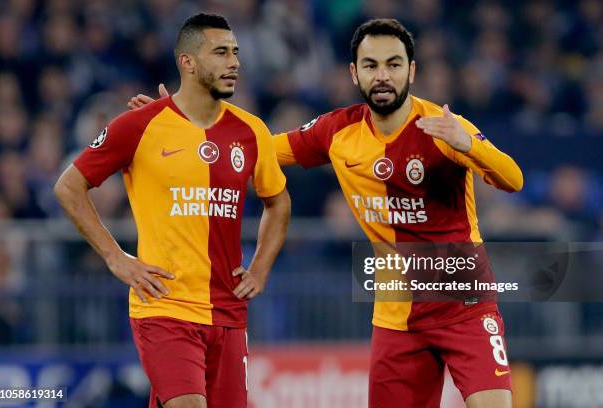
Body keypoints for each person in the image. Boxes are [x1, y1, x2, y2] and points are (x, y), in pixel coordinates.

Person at [130, 18, 522, 408]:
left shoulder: (443, 127)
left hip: (466, 306)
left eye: (394, 64)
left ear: (411, 70)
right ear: (354, 73)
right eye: (371, 65)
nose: (382, 75)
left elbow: (513, 179)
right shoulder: (339, 131)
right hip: (397, 318)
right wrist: (179, 126)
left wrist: (468, 143)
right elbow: (258, 149)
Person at [55, 14, 290, 408]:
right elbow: (69, 186)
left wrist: (261, 266)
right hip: (164, 305)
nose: (234, 62)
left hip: (227, 311)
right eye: (220, 53)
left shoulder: (251, 132)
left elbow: (278, 201)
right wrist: (117, 258)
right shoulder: (139, 125)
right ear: (188, 62)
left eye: (235, 52)